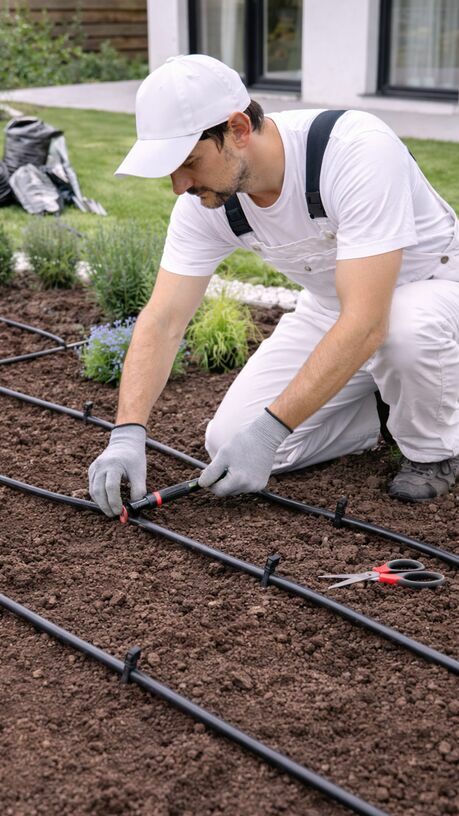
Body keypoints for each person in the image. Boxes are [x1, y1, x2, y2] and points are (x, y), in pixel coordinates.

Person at [88, 53, 459, 517]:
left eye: (189, 162)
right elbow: (163, 319)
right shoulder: (208, 203)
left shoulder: (354, 150)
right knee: (229, 442)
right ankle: (390, 406)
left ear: (238, 129)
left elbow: (368, 321)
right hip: (333, 307)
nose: (179, 185)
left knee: (405, 330)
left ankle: (433, 450)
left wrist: (272, 429)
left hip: (435, 290)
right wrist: (127, 432)